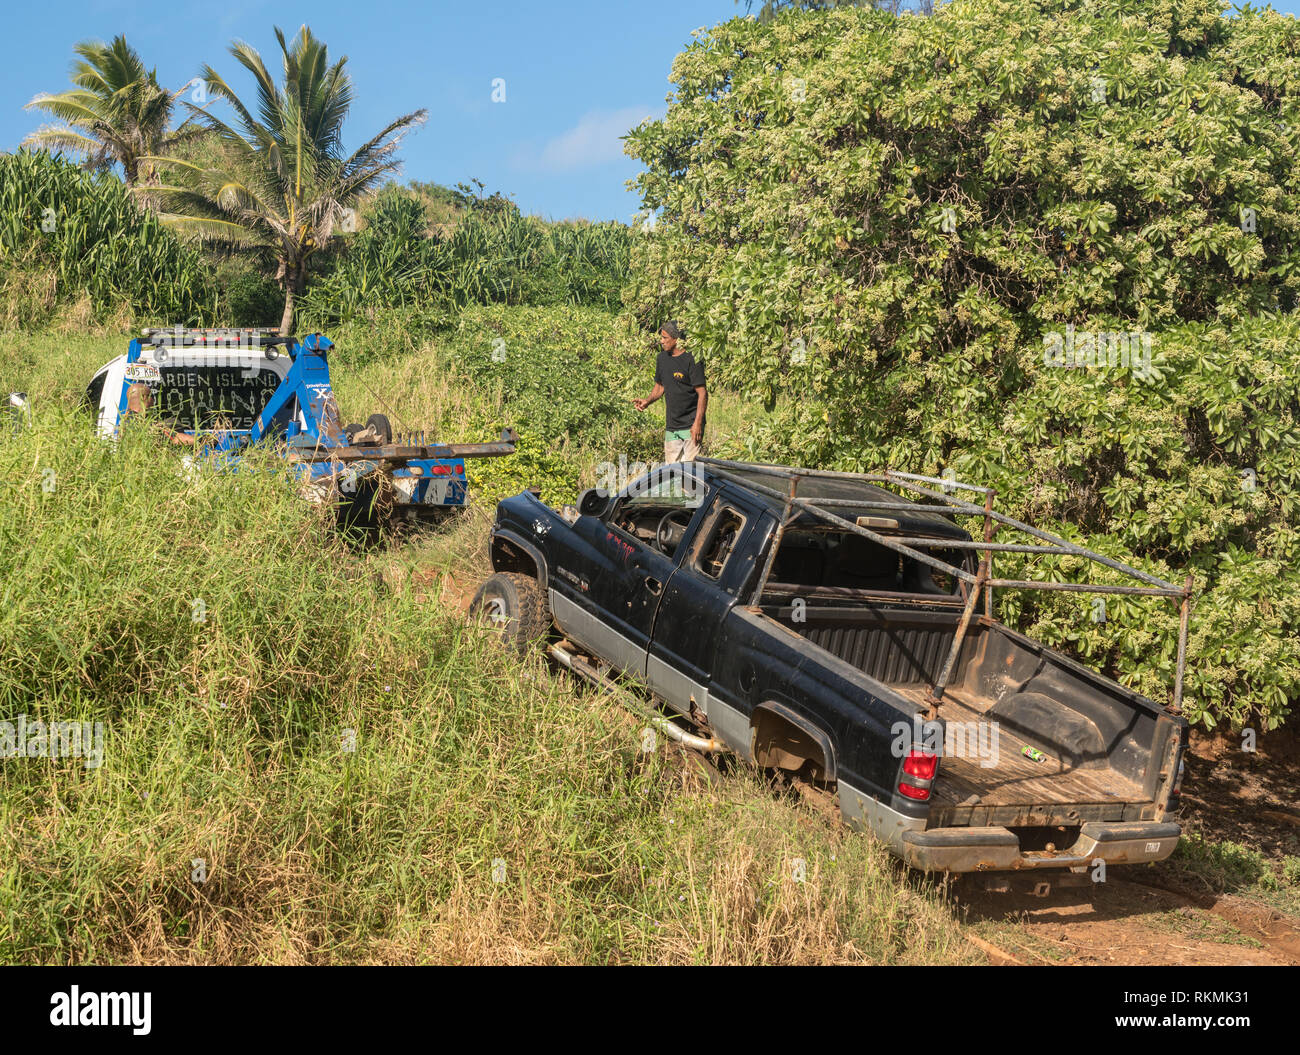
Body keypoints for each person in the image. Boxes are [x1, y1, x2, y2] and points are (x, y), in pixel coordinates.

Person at [633, 320, 707, 463]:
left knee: (691, 475)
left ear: (676, 339)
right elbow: (660, 386)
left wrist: (697, 424)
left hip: (691, 427)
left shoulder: (692, 358)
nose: (661, 341)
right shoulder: (662, 359)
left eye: (665, 337)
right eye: (661, 337)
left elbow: (702, 393)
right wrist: (647, 401)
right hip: (672, 426)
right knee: (671, 472)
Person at [123, 383, 195, 446]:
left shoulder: (125, 420)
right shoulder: (134, 422)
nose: (153, 401)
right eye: (151, 396)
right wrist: (199, 441)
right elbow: (175, 438)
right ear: (144, 397)